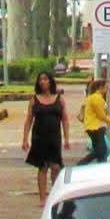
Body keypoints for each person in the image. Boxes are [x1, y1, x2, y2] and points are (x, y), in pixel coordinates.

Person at [21, 70, 70, 200]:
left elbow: (65, 119)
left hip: (54, 137)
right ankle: (42, 197)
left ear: (50, 81)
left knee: (56, 166)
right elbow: (28, 120)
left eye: (45, 79)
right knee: (42, 166)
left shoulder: (59, 99)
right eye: (40, 79)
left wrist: (67, 139)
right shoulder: (34, 100)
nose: (43, 82)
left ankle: (54, 195)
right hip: (39, 136)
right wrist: (25, 139)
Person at [79, 78, 110, 164]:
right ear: (100, 87)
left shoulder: (92, 97)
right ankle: (81, 164)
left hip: (91, 127)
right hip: (96, 128)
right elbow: (102, 116)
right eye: (106, 87)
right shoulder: (97, 98)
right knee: (101, 151)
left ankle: (98, 167)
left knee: (99, 151)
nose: (107, 90)